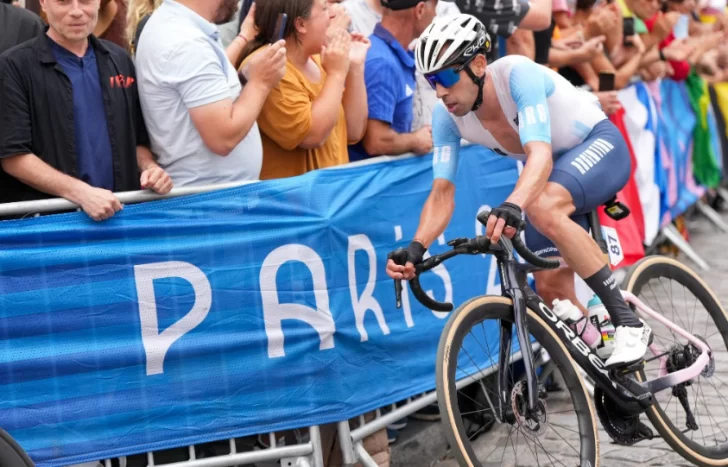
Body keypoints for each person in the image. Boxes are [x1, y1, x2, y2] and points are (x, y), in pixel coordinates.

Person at [386, 14, 653, 369]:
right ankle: (610, 371)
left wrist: (513, 204)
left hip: (598, 144)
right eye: (431, 80)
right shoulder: (446, 116)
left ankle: (628, 323)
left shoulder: (515, 74)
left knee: (540, 207)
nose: (440, 91)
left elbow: (539, 154)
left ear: (479, 64)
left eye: (447, 76)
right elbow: (441, 192)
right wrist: (417, 247)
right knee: (550, 290)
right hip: (555, 175)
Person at [0, 0, 172, 220]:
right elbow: (13, 157)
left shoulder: (120, 60)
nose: (76, 11)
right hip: (56, 225)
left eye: (85, 1)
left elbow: (137, 140)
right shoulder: (14, 66)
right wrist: (80, 193)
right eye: (63, 2)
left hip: (122, 217)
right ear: (43, 3)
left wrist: (150, 169)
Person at [135, 0, 286, 186]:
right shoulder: (185, 41)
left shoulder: (183, 30)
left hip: (214, 199)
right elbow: (223, 138)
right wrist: (261, 83)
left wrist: (247, 75)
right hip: (208, 204)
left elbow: (211, 97)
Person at [239, 0, 368, 180]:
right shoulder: (269, 67)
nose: (333, 14)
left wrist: (355, 67)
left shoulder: (321, 59)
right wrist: (337, 75)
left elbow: (354, 131)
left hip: (333, 199)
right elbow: (312, 136)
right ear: (300, 24)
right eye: (324, 8)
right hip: (293, 203)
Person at [348, 0, 438, 161]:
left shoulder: (387, 54)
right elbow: (376, 141)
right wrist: (414, 140)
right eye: (434, 7)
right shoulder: (382, 63)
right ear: (420, 10)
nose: (436, 15)